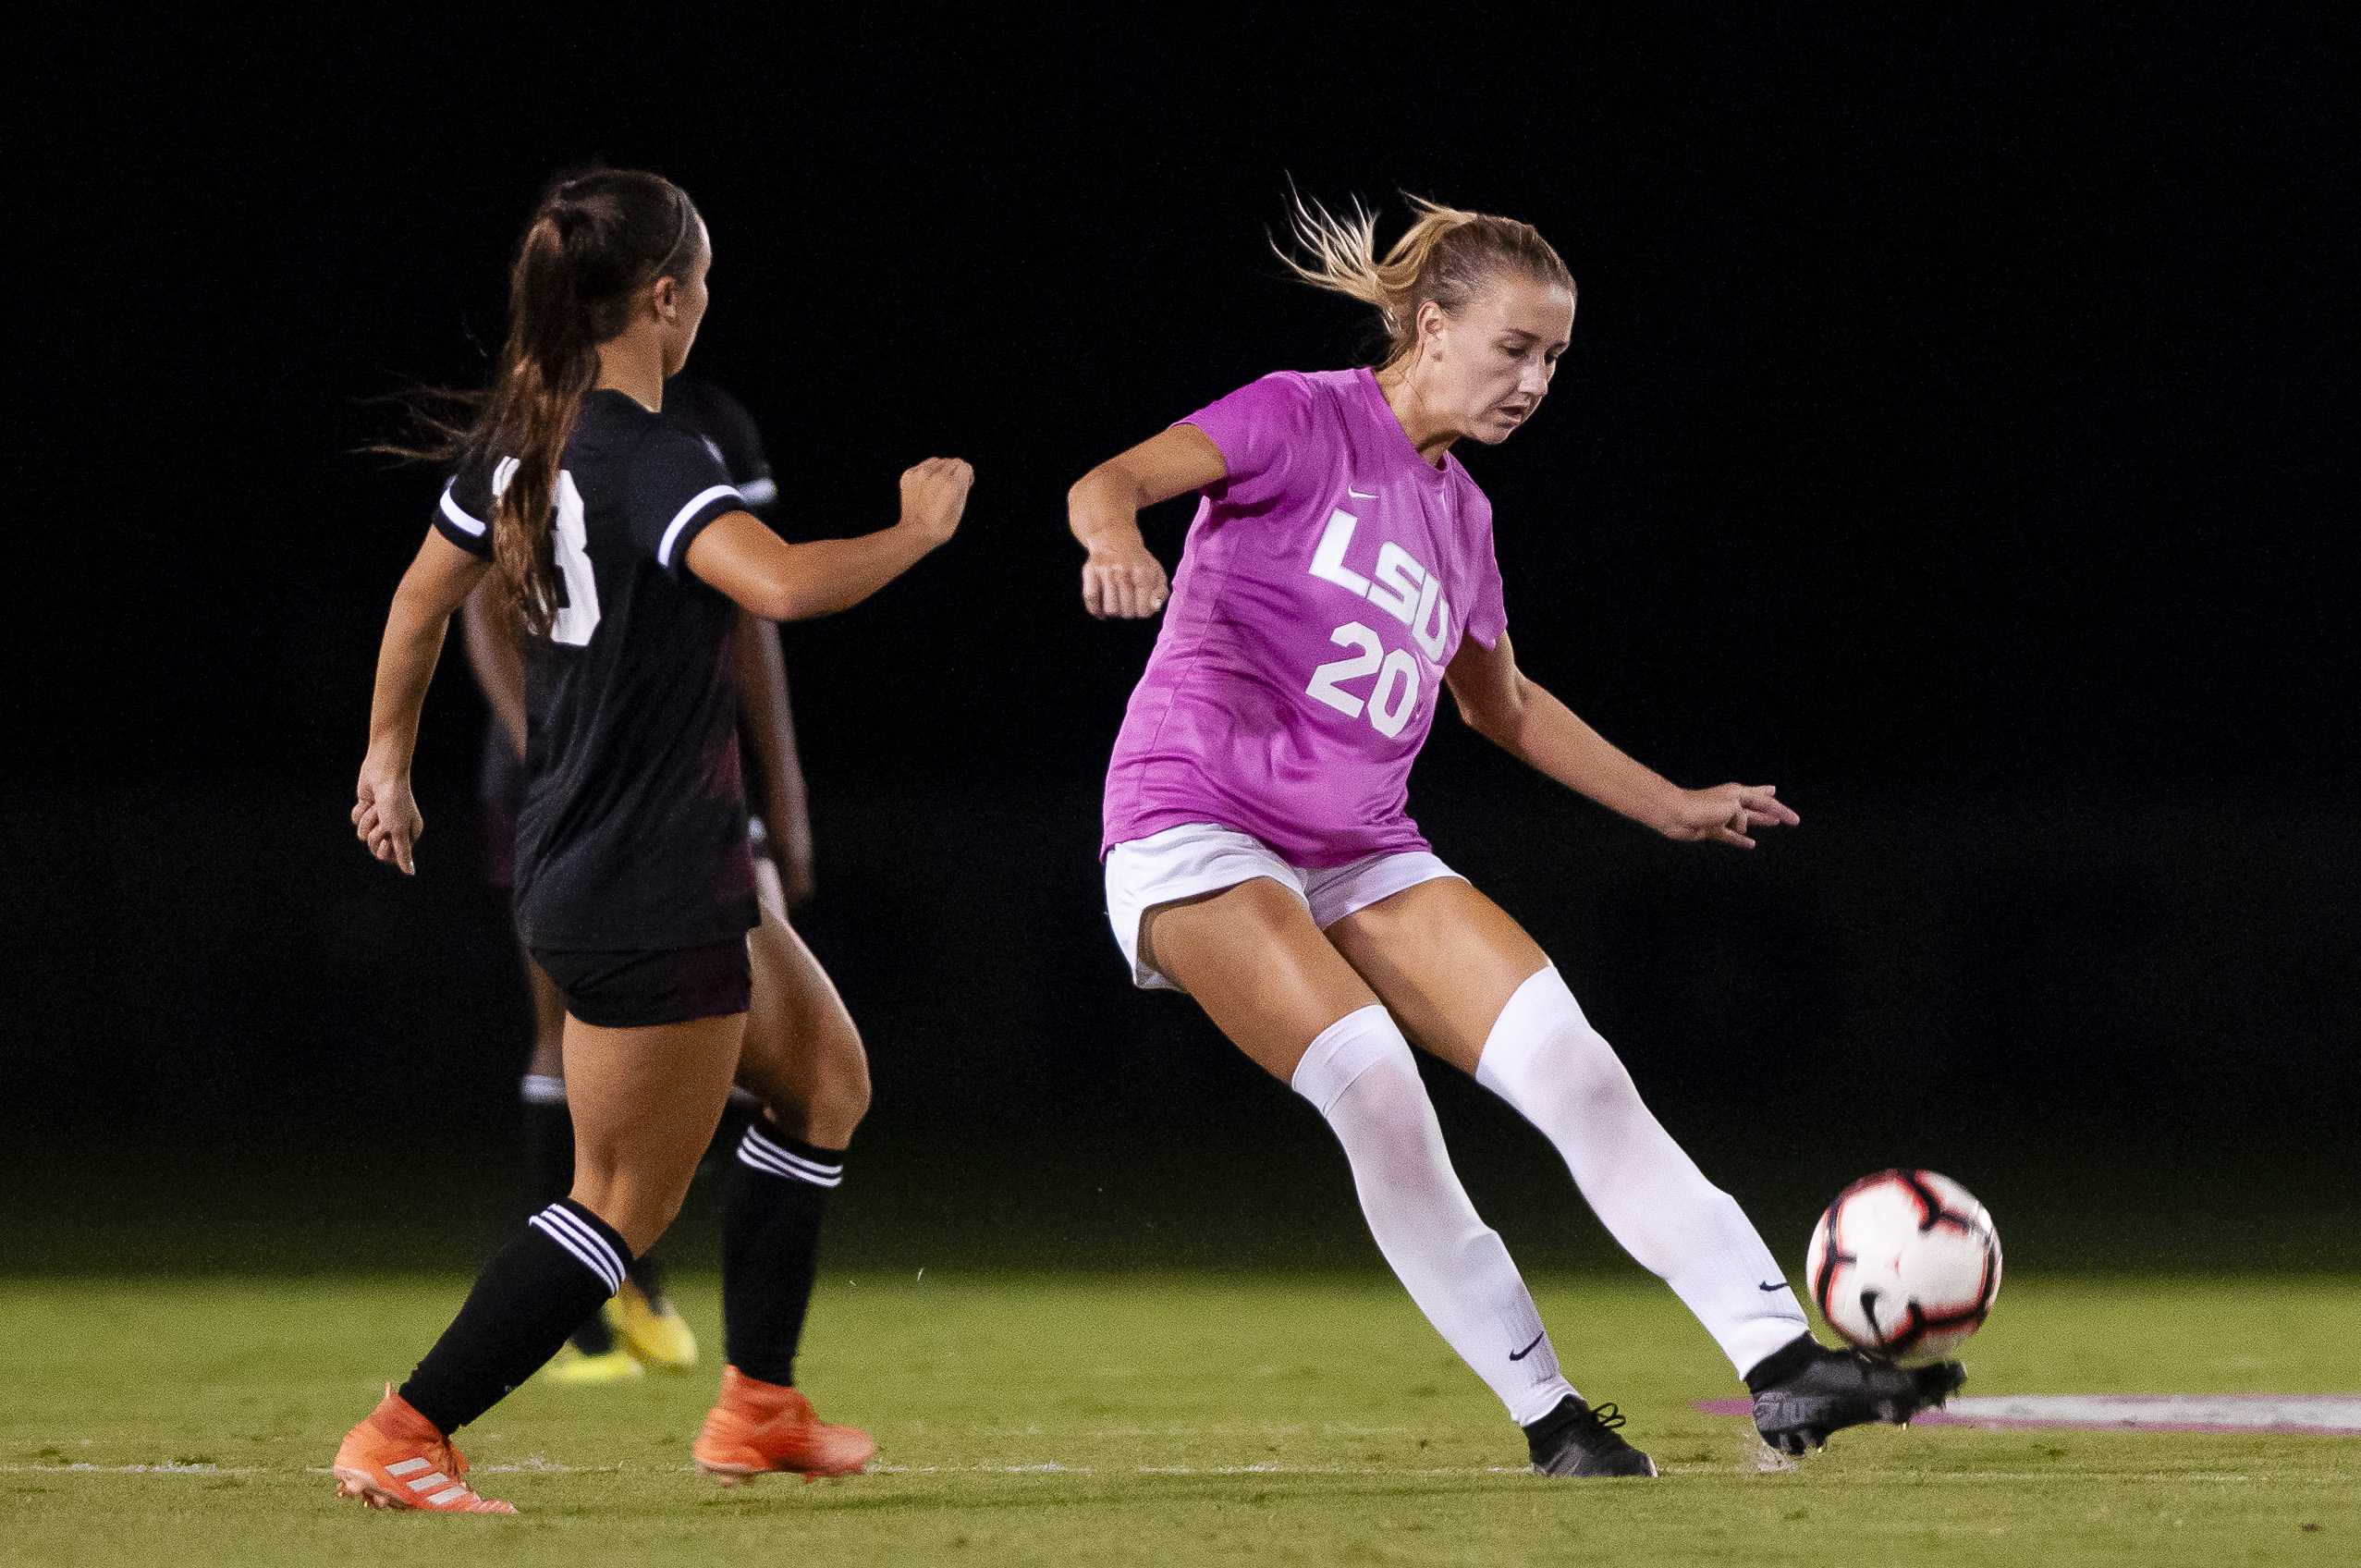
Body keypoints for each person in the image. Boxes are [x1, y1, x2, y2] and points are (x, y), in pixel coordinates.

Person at [1068, 192, 1962, 1477]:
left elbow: (1502, 706)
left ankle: (1780, 1364)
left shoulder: (1463, 517)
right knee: (1375, 1083)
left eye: (1552, 359)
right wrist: (1112, 540)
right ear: (1429, 328)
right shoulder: (1299, 414)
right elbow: (1110, 481)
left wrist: (1670, 802)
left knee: (1578, 1070)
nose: (1535, 380)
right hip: (1191, 821)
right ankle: (1549, 1417)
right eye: (1513, 348)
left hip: (1361, 844)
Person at [338, 167, 973, 1513]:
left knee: (825, 1086)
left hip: (653, 861)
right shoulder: (649, 449)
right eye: (704, 288)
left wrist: (387, 761)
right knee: (620, 1203)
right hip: (639, 880)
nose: (704, 313)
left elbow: (415, 601)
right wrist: (916, 532)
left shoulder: (526, 440)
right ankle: (404, 1430)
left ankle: (756, 1406)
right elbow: (784, 587)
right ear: (666, 297)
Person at [459, 373, 814, 1385]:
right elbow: (465, 599)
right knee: (580, 1049)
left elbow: (751, 614)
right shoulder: (533, 428)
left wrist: (782, 794)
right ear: (656, 289)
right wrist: (551, 753)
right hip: (577, 795)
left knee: (805, 1069)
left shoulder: (706, 422)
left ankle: (708, 1346)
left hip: (686, 784)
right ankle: (582, 1317)